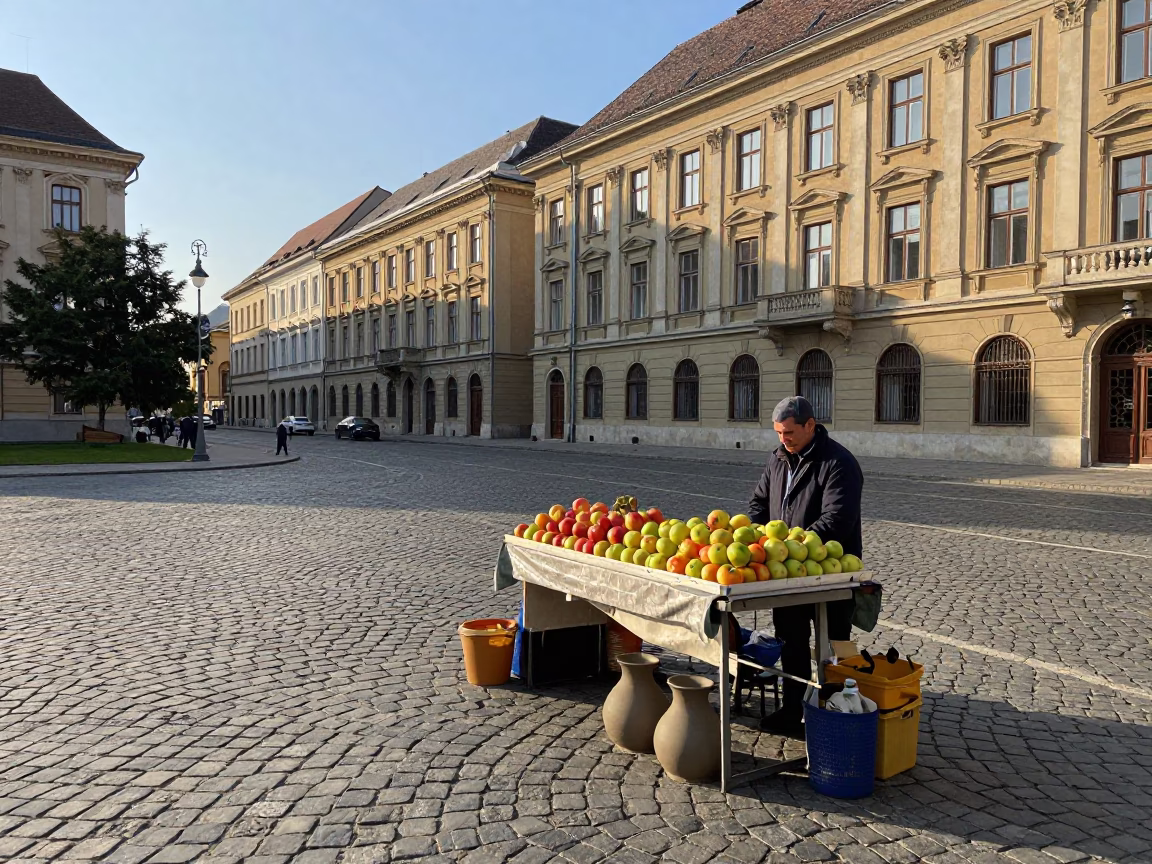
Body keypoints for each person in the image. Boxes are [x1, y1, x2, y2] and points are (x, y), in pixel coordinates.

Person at [747, 395, 863, 739]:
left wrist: (792, 546)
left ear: (811, 425)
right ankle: (792, 708)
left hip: (830, 573)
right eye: (779, 433)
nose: (784, 438)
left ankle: (838, 710)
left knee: (836, 646)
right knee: (792, 641)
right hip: (789, 575)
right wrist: (758, 537)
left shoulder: (838, 462)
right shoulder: (778, 458)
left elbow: (837, 519)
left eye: (790, 432)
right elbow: (759, 501)